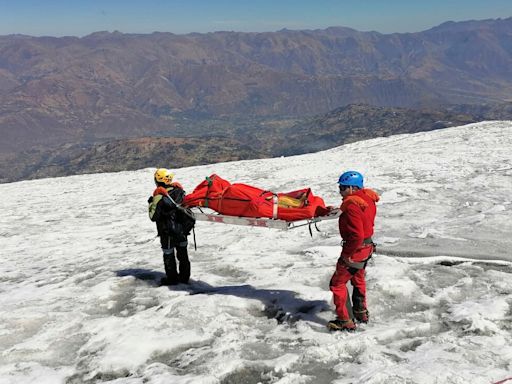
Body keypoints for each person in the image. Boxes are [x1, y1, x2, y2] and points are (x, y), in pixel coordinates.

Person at [327, 171, 380, 331]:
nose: (340, 191)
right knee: (358, 279)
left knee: (337, 283)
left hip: (356, 250)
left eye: (343, 188)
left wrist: (346, 255)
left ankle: (345, 320)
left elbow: (356, 235)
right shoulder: (367, 198)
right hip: (367, 247)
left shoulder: (352, 205)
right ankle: (361, 312)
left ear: (352, 188)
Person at [148, 168, 195, 285]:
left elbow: (153, 216)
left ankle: (172, 279)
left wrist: (151, 204)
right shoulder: (180, 192)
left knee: (169, 254)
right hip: (182, 230)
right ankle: (185, 278)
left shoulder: (159, 197)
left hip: (167, 232)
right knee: (183, 254)